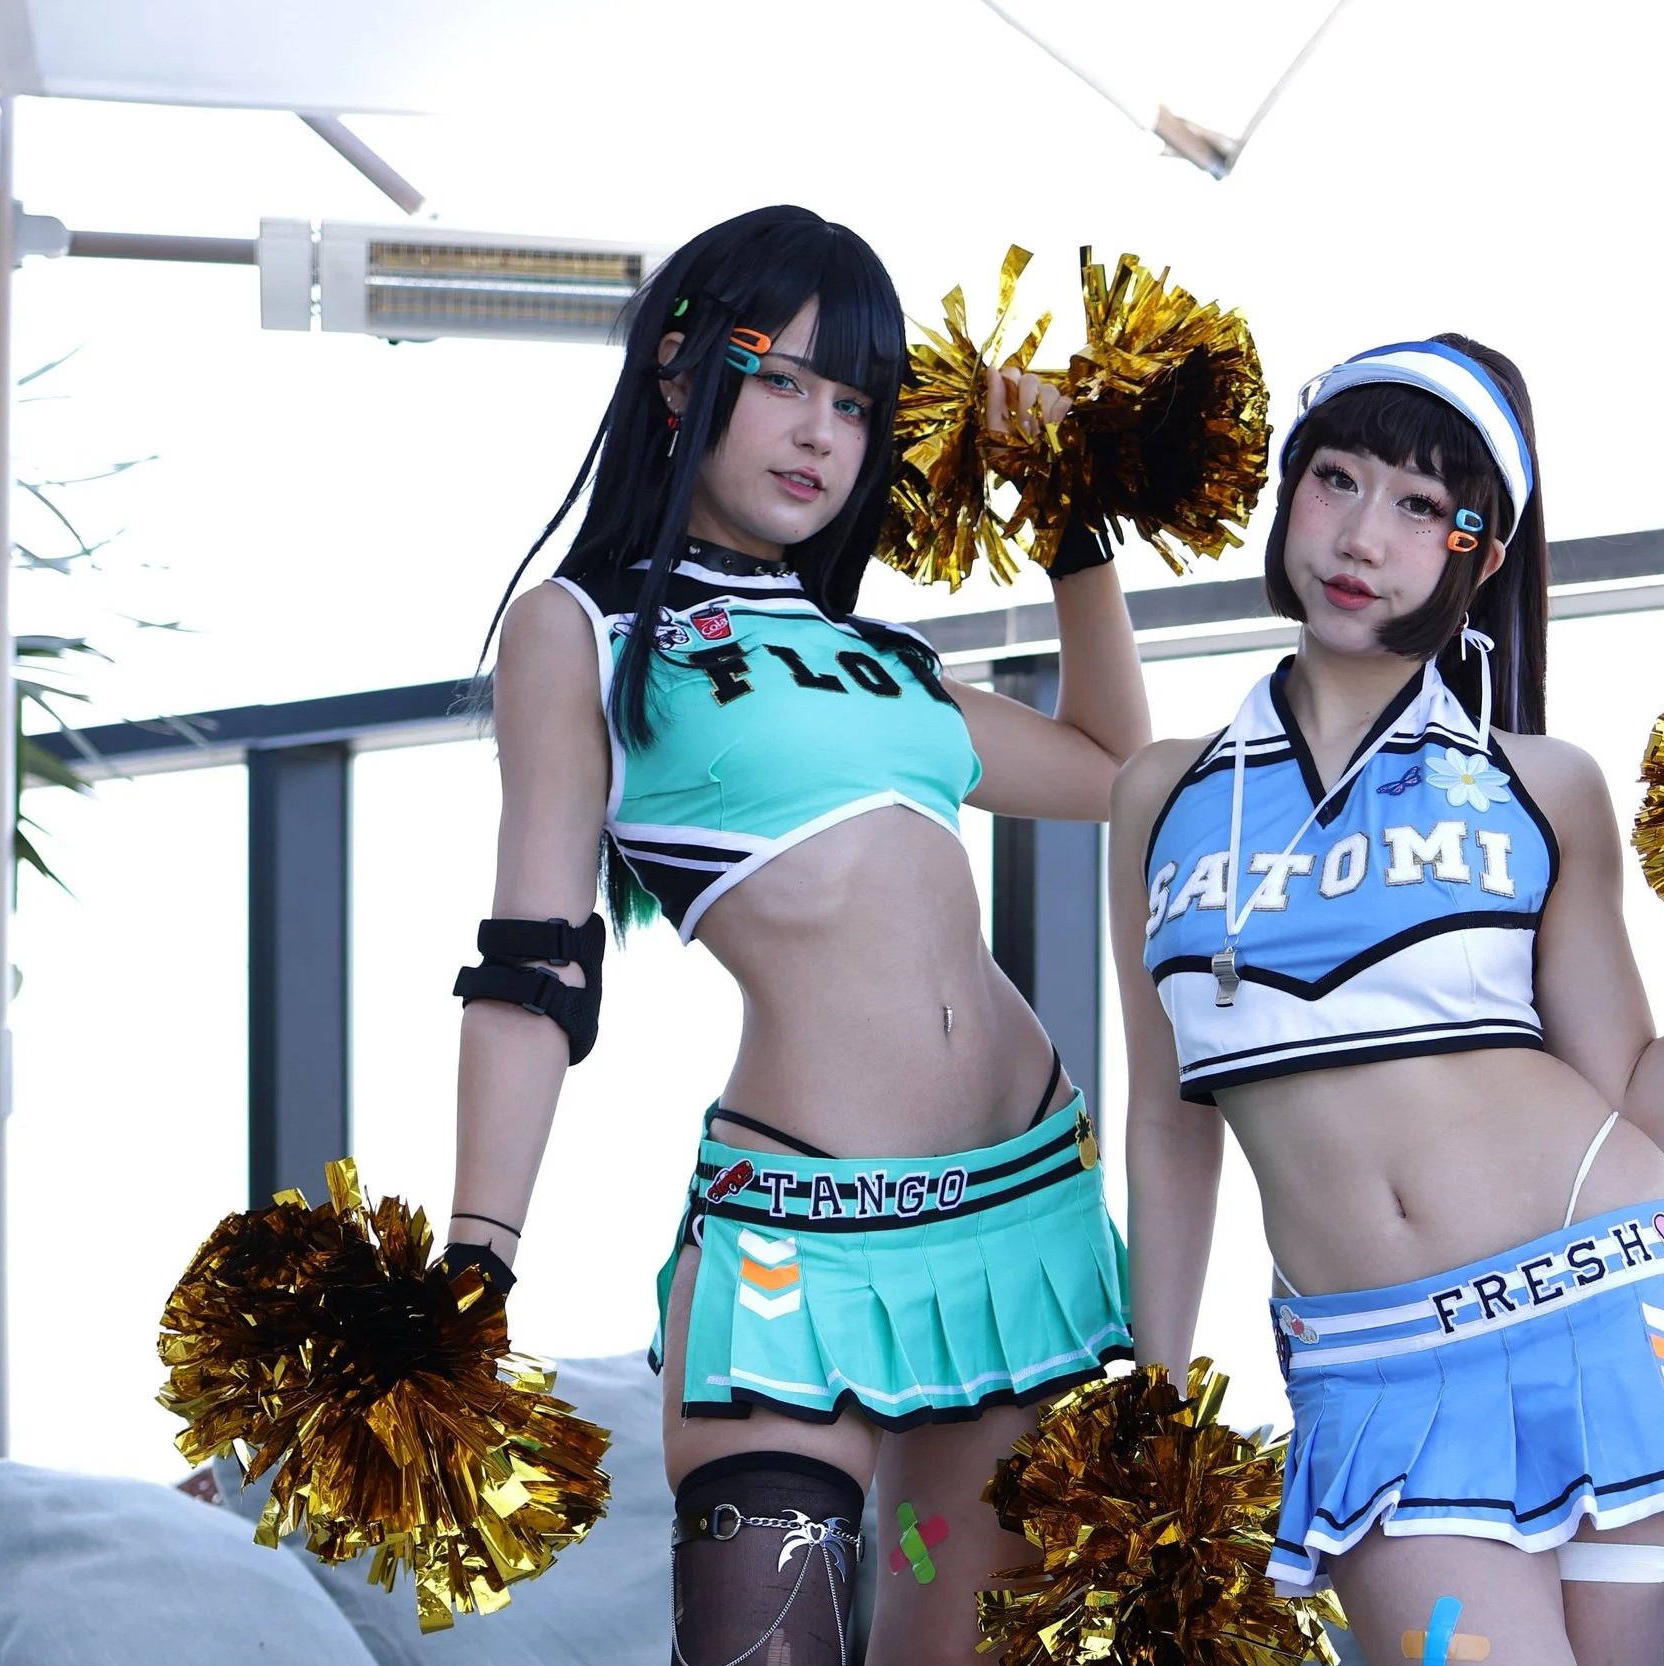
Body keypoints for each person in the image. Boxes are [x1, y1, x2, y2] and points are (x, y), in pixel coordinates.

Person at [446, 205, 1150, 1666]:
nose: (820, 432)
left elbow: (1110, 767)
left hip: (1023, 1213)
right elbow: (535, 967)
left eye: (855, 402)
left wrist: (1070, 510)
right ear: (681, 371)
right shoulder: (576, 630)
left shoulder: (888, 660)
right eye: (783, 378)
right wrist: (475, 1263)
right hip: (796, 1247)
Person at [1110, 337, 1664, 1666]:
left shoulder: (1544, 783)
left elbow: (1629, 1090)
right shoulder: (1160, 792)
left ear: (1477, 552)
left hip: (1617, 1311)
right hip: (1369, 1372)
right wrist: (1153, 1393)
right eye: (1337, 479)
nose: (1363, 532)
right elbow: (1168, 1120)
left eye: (1423, 505)